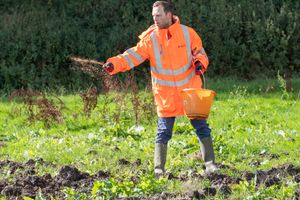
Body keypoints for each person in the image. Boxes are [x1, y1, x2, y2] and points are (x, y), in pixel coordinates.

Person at [102, 1, 218, 178]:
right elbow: (132, 55)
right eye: (153, 15)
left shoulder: (188, 33)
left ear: (169, 15)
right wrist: (114, 64)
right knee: (163, 132)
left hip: (190, 91)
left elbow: (200, 52)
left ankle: (210, 165)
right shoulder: (150, 39)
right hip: (166, 96)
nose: (154, 19)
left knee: (201, 126)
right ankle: (158, 171)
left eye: (158, 15)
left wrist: (200, 63)